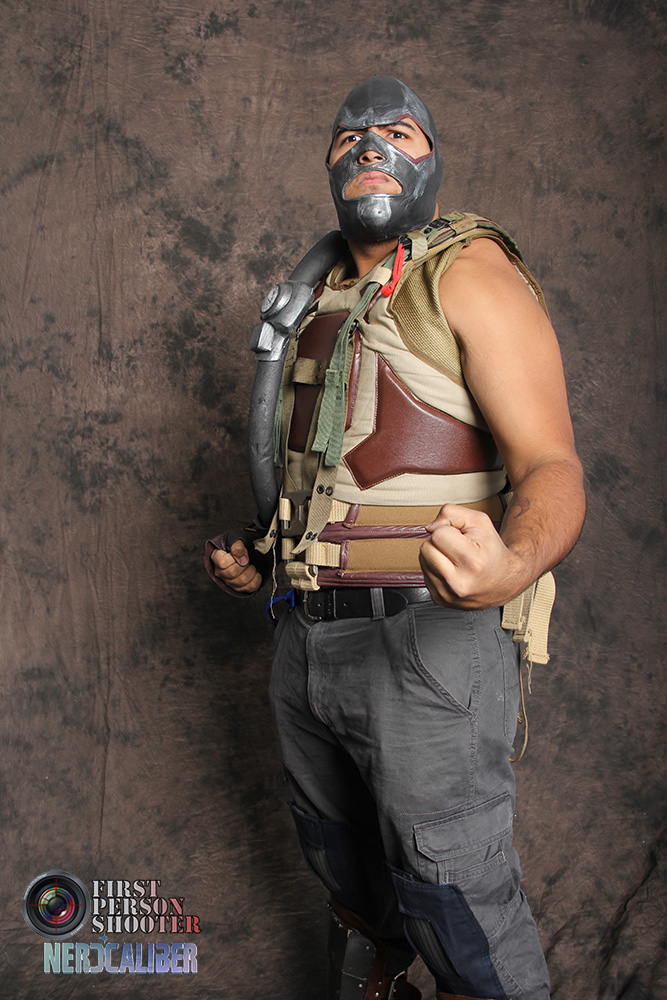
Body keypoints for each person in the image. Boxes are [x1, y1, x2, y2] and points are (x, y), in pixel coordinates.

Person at [206, 76, 585, 1000]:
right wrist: (264, 557)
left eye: (398, 131)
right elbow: (324, 470)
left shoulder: (468, 274)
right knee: (347, 875)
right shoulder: (316, 294)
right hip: (305, 638)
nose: (370, 145)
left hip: (425, 647)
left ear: (431, 157)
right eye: (349, 136)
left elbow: (552, 466)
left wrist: (511, 562)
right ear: (328, 162)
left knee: (454, 899)